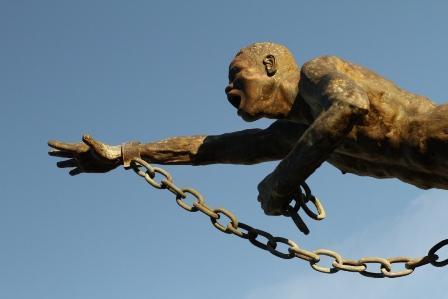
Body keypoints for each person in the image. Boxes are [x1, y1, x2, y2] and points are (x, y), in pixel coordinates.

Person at [48, 42, 448, 216]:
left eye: (238, 76)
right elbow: (212, 148)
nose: (229, 88)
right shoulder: (292, 134)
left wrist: (281, 181)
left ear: (270, 65)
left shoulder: (316, 72)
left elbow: (349, 106)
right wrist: (124, 154)